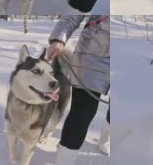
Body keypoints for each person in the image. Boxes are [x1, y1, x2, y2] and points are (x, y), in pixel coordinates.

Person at [47, 15, 110, 164]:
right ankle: (63, 161)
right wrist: (58, 38)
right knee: (82, 114)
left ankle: (105, 139)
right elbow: (74, 13)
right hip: (92, 56)